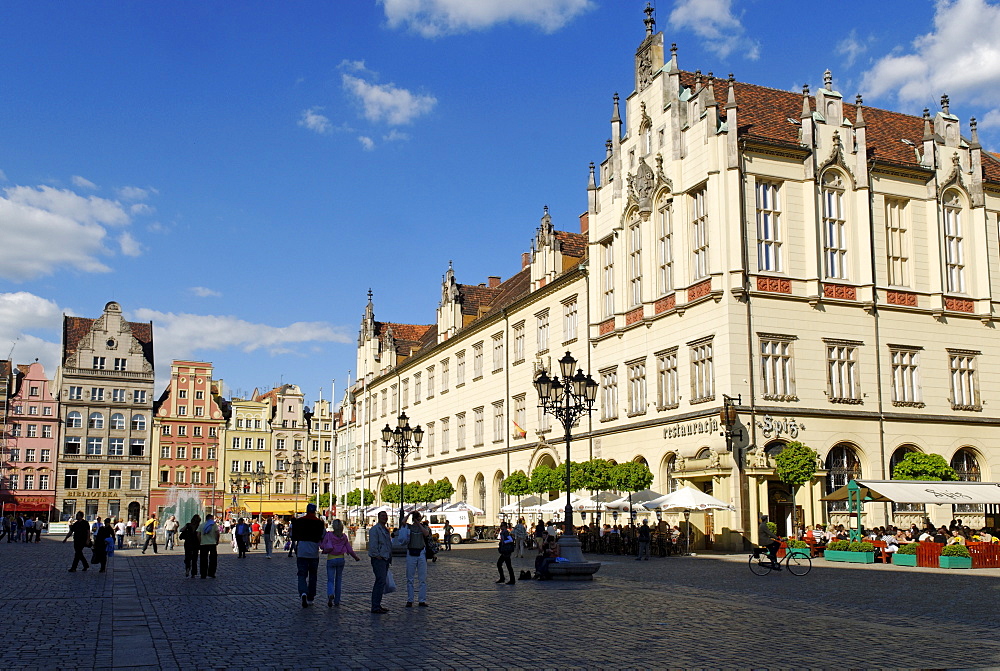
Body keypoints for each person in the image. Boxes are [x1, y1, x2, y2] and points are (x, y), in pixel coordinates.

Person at [321, 519, 361, 607]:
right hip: (341, 559)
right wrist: (356, 557)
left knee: (330, 579)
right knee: (338, 580)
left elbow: (322, 545)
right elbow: (349, 549)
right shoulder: (344, 537)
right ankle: (337, 600)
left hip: (331, 559)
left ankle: (330, 593)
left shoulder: (329, 535)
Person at [293, 504, 326, 607]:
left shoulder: (299, 521)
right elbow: (323, 535)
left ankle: (303, 592)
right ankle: (311, 597)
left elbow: (293, 536)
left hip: (302, 549)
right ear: (315, 511)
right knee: (313, 575)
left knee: (302, 574)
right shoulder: (319, 523)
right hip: (313, 551)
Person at [402, 511, 431, 607]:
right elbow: (403, 522)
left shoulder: (423, 527)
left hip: (421, 552)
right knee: (410, 578)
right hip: (411, 552)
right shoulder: (409, 527)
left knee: (422, 578)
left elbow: (426, 533)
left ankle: (422, 600)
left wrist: (418, 523)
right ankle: (410, 599)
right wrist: (409, 514)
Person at [368, 510, 393, 614]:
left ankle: (378, 604)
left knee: (381, 582)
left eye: (386, 516)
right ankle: (375, 606)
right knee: (380, 581)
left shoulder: (385, 530)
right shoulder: (375, 529)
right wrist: (377, 555)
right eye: (382, 516)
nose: (384, 517)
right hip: (379, 559)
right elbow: (373, 545)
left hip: (385, 558)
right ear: (378, 517)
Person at [199, 514, 220, 579]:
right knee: (213, 559)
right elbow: (217, 533)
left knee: (203, 559)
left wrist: (200, 541)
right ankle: (211, 573)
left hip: (203, 544)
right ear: (210, 518)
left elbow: (198, 534)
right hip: (212, 543)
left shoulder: (202, 525)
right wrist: (217, 540)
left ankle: (203, 574)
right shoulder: (214, 525)